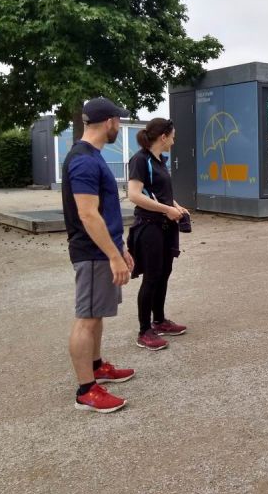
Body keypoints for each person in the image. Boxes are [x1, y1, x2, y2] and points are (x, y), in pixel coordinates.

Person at [62, 97, 135, 413]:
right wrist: (112, 256)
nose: (119, 125)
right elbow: (88, 214)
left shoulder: (91, 156)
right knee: (87, 318)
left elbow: (103, 210)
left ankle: (97, 367)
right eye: (118, 120)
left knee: (97, 313)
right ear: (108, 122)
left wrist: (120, 248)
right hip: (92, 253)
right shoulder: (84, 161)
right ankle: (86, 390)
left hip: (103, 250)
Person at [127, 118, 189, 351]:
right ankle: (144, 331)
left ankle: (160, 320)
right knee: (152, 276)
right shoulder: (140, 160)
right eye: (172, 135)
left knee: (164, 273)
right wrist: (167, 210)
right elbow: (134, 195)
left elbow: (158, 193)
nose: (174, 139)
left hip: (165, 227)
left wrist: (177, 206)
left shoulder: (160, 161)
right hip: (149, 226)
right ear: (163, 136)